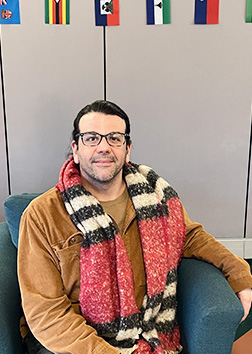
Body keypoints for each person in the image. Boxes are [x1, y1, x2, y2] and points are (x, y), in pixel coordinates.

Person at [18, 100, 252, 354]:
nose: (104, 147)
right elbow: (46, 313)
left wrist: (239, 273)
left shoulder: (156, 196)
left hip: (147, 333)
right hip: (72, 343)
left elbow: (191, 237)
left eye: (115, 138)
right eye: (92, 138)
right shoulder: (42, 215)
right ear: (75, 149)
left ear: (127, 149)